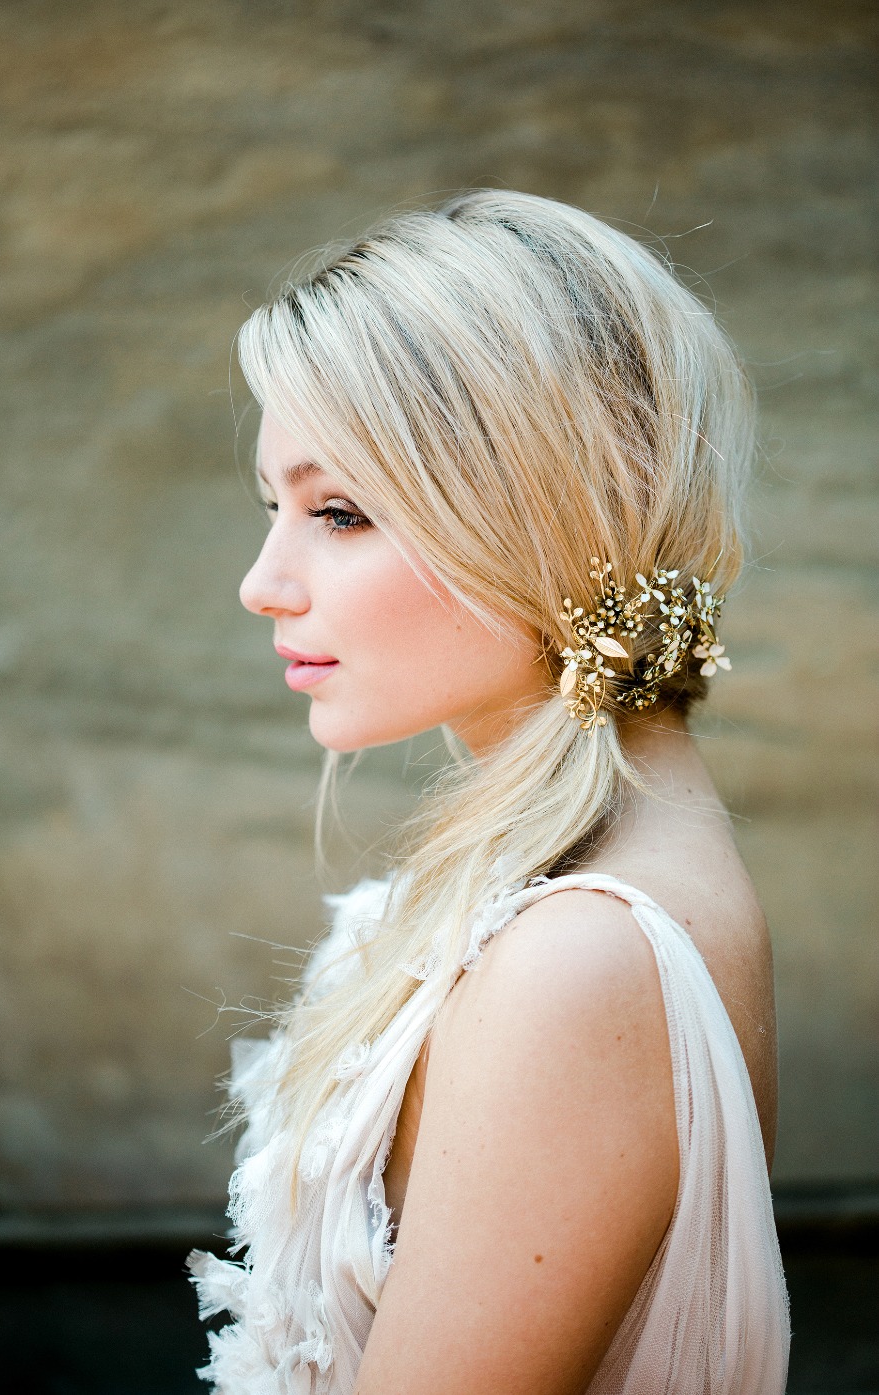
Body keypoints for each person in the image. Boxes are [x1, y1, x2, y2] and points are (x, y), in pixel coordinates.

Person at [189, 189, 791, 1394]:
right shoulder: (610, 884)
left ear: (544, 514)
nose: (265, 582)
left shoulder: (580, 960)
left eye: (341, 513)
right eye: (275, 508)